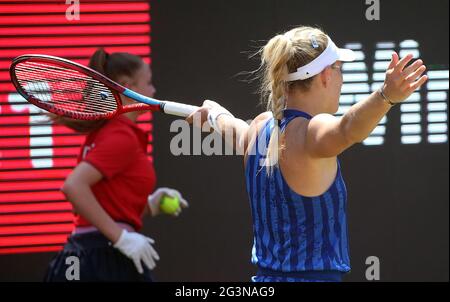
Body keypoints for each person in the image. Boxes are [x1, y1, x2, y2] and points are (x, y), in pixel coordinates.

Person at [187, 26, 428, 282]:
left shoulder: (256, 129)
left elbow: (232, 127)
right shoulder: (312, 132)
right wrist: (385, 96)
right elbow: (348, 128)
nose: (342, 79)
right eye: (339, 69)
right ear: (325, 75)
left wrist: (215, 115)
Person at [45, 49, 188, 282]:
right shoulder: (120, 137)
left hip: (92, 255)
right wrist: (121, 238)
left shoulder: (113, 133)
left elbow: (110, 203)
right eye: (149, 83)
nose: (154, 91)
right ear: (126, 86)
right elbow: (73, 186)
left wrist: (151, 203)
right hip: (101, 258)